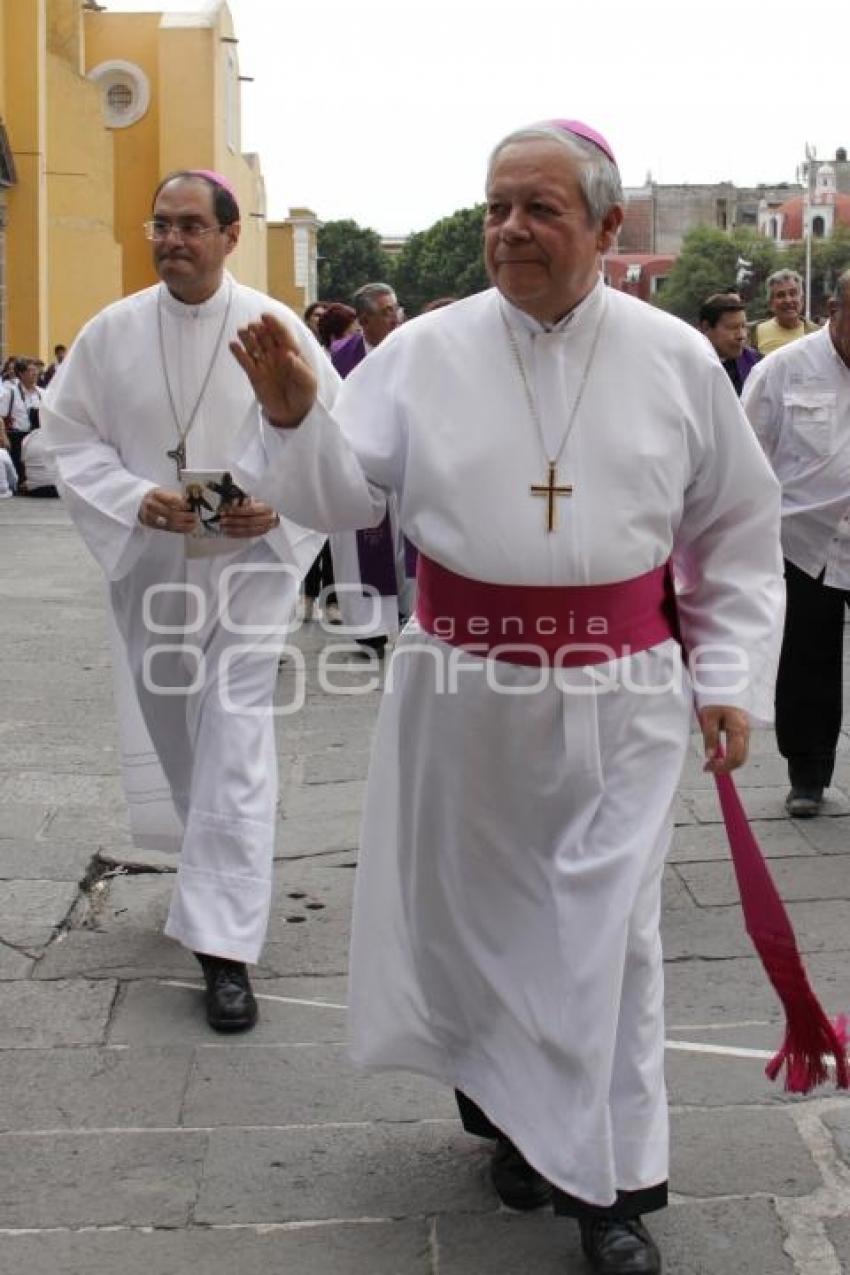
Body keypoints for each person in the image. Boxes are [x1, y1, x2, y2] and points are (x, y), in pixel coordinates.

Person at [231, 119, 783, 1274]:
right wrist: (291, 413)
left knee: (606, 938)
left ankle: (612, 1188)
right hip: (461, 694)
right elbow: (342, 499)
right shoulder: (423, 351)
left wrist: (729, 677)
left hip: (622, 695)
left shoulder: (675, 357)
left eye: (539, 208)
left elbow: (734, 527)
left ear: (606, 225)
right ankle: (516, 1119)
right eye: (495, 207)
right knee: (480, 925)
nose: (509, 230)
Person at [42, 169, 339, 1033]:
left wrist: (279, 502)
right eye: (159, 225)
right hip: (154, 569)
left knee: (237, 735)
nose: (170, 240)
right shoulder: (110, 332)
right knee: (183, 735)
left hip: (250, 569)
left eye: (188, 227)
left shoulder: (277, 327)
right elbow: (67, 437)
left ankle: (224, 947)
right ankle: (212, 872)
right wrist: (137, 496)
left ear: (229, 236)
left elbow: (332, 439)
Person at [742, 267, 850, 819]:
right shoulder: (783, 369)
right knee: (806, 661)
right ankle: (807, 776)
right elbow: (746, 454)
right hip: (802, 540)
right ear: (836, 310)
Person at [327, 282, 410, 657]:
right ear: (362, 320)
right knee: (362, 546)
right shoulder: (341, 359)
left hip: (407, 461)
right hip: (358, 467)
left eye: (396, 309)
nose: (396, 318)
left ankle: (411, 615)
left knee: (409, 541)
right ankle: (370, 627)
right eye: (386, 312)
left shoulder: (414, 349)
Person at [698, 292, 761, 395]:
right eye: (732, 327)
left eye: (743, 326)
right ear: (706, 327)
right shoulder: (686, 368)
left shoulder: (756, 364)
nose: (741, 335)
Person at [751, 270, 818, 355]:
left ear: (802, 299)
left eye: (793, 294)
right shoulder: (755, 333)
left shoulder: (816, 333)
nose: (788, 300)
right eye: (781, 295)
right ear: (771, 303)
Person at [1, 357, 43, 484]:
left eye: (36, 370)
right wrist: (4, 437)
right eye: (31, 370)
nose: (35, 373)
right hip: (17, 438)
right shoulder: (11, 393)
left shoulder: (42, 393)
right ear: (21, 373)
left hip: (37, 438)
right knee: (19, 476)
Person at [20, 426, 60, 496]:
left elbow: (24, 463)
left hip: (34, 490)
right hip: (58, 489)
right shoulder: (62, 437)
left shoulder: (28, 438)